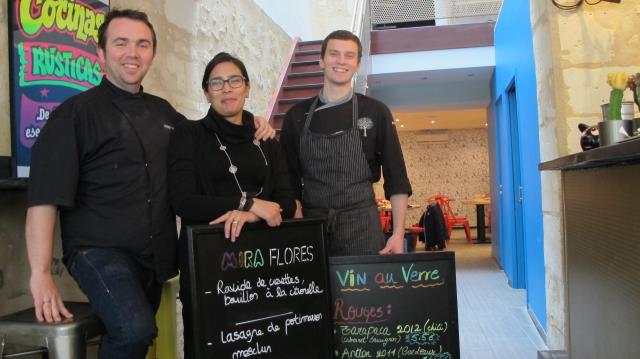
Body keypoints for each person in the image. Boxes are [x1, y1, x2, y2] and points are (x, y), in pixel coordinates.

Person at [24, 10, 274, 359]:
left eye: (142, 44)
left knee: (138, 338)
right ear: (101, 52)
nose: (133, 53)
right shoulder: (73, 114)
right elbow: (43, 198)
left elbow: (212, 134)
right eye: (121, 43)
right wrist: (39, 274)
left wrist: (254, 124)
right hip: (99, 252)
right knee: (134, 330)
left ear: (152, 54)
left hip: (155, 259)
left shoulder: (165, 113)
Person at [167, 51, 296, 358]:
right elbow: (183, 201)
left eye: (234, 80)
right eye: (216, 82)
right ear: (206, 91)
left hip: (266, 263)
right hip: (210, 266)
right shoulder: (189, 134)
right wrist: (249, 203)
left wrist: (251, 216)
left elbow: (287, 204)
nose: (226, 88)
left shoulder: (266, 139)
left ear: (247, 87)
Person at [280, 30, 412, 256]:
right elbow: (288, 180)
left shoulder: (376, 111)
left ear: (358, 64)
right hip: (312, 227)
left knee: (361, 292)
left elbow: (396, 177)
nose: (341, 61)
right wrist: (299, 228)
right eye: (334, 54)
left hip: (362, 228)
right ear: (321, 60)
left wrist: (398, 234)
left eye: (349, 55)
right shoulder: (296, 116)